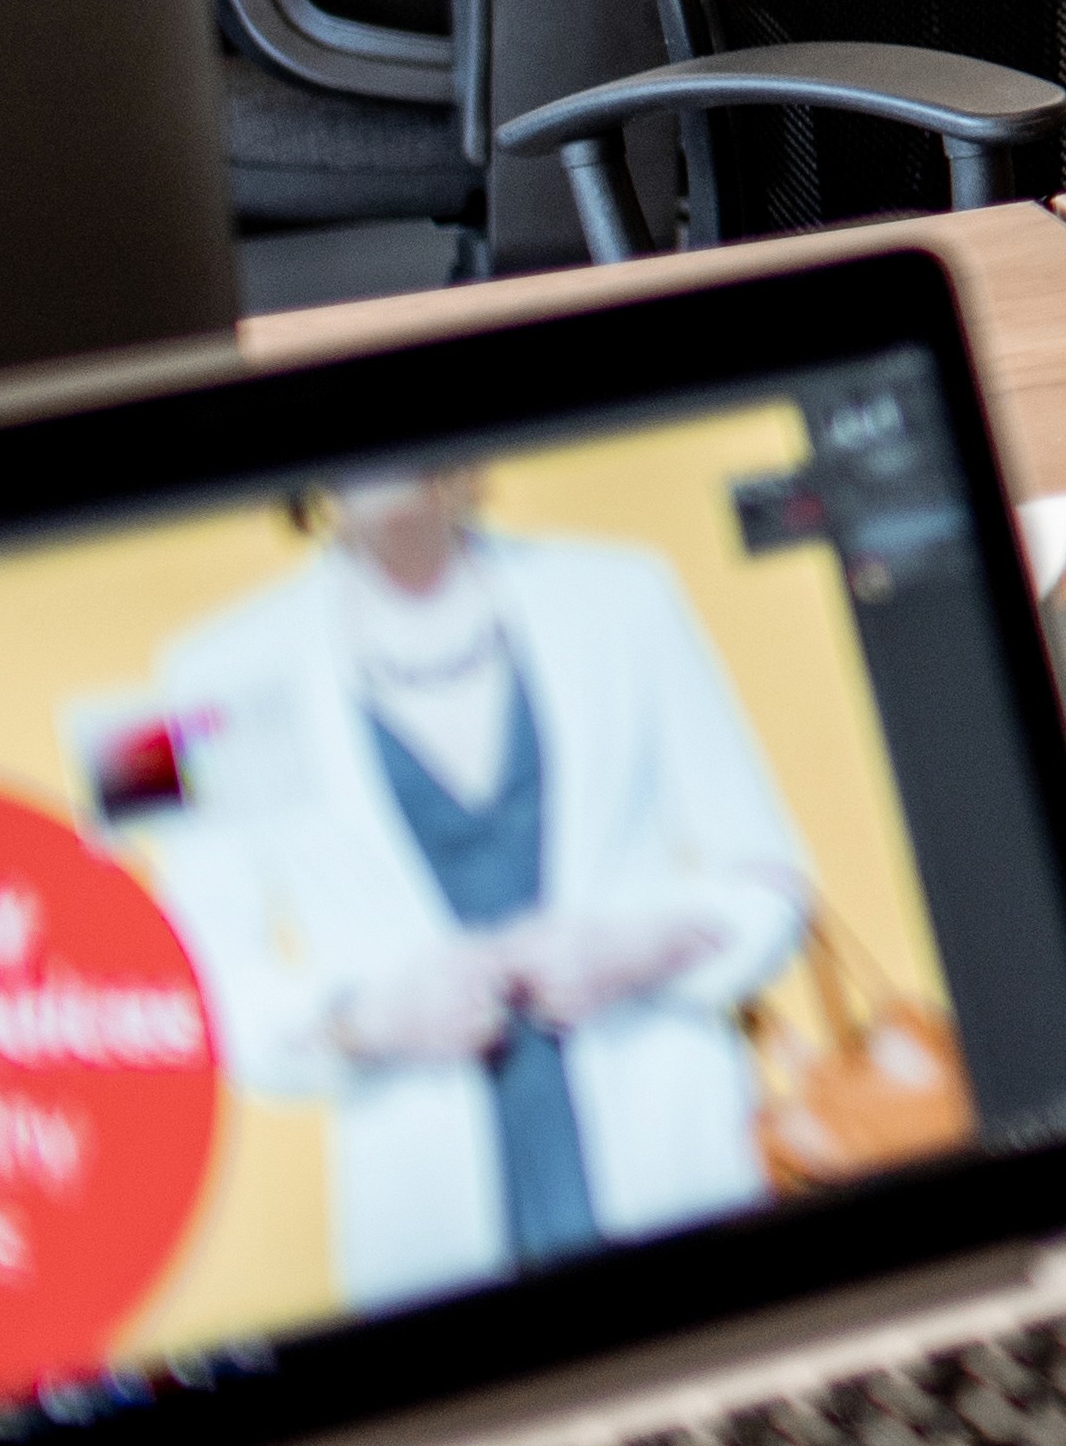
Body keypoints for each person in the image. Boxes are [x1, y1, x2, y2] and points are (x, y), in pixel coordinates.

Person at [139, 470, 810, 1315]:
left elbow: (773, 882)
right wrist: (366, 1017)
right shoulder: (206, 671)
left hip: (671, 1149)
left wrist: (643, 948)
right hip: (427, 1204)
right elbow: (201, 984)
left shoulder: (624, 595)